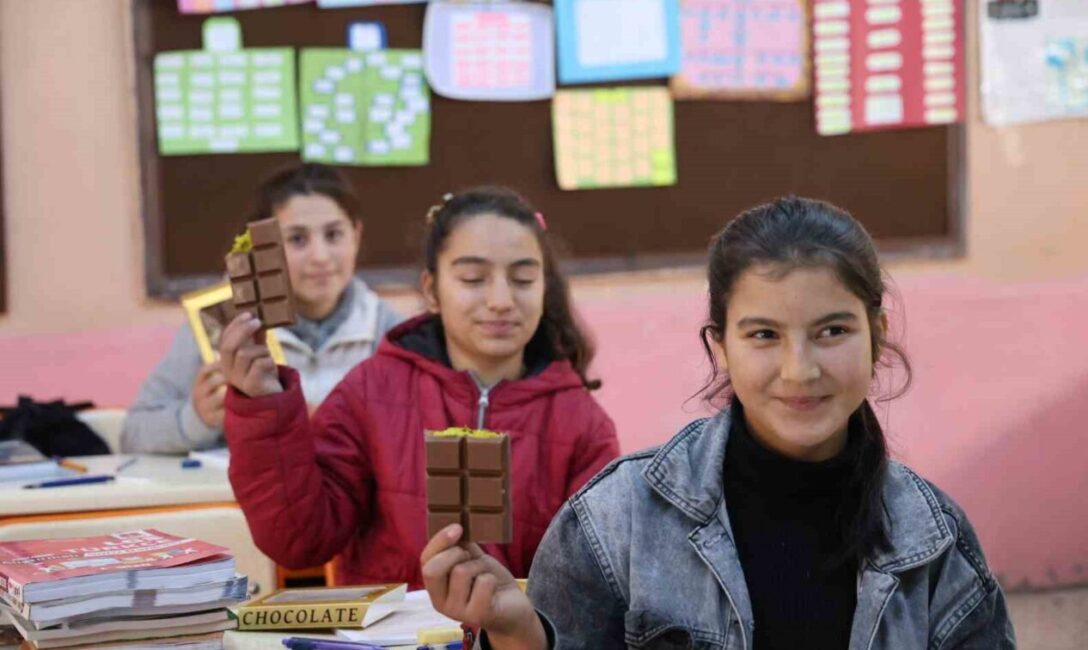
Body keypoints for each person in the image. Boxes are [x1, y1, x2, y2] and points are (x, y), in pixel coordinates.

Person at [420, 196, 1016, 650]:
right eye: (763, 335)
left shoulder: (934, 541)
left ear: (876, 336)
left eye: (832, 331)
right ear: (721, 348)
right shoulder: (614, 522)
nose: (799, 370)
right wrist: (518, 631)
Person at [218, 187, 621, 586]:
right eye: (473, 278)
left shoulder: (583, 425)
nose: (501, 300)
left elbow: (592, 589)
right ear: (432, 290)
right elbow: (300, 540)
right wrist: (262, 407)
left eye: (523, 279)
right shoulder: (370, 391)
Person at [120, 163, 405, 454]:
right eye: (297, 239)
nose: (320, 257)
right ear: (263, 247)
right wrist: (197, 419)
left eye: (333, 235)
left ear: (356, 235)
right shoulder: (224, 326)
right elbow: (133, 434)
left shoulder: (393, 334)